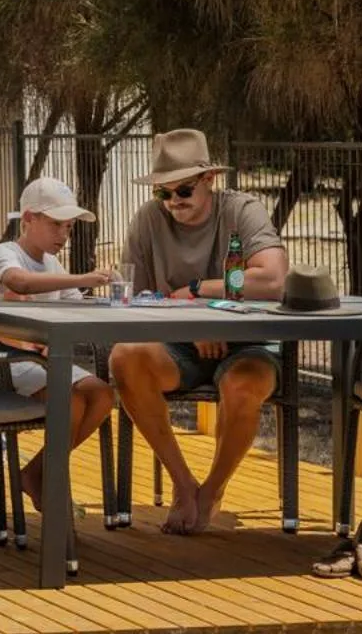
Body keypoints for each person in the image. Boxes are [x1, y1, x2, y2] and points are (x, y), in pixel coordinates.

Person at [108, 130, 289, 535]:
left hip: (249, 341)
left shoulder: (244, 210)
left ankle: (212, 490)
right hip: (178, 342)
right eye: (164, 193)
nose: (174, 202)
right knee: (123, 357)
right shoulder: (147, 220)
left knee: (244, 386)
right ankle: (182, 482)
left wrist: (198, 294)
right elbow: (134, 297)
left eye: (184, 189)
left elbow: (274, 279)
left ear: (209, 180)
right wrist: (193, 326)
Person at [0, 177, 118, 510]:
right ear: (28, 219)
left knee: (102, 394)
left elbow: (75, 302)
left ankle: (37, 472)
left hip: (40, 363)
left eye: (69, 228)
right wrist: (84, 277)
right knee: (70, 400)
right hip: (0, 361)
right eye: (56, 225)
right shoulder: (6, 254)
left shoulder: (51, 262)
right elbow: (19, 282)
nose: (63, 235)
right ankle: (49, 483)